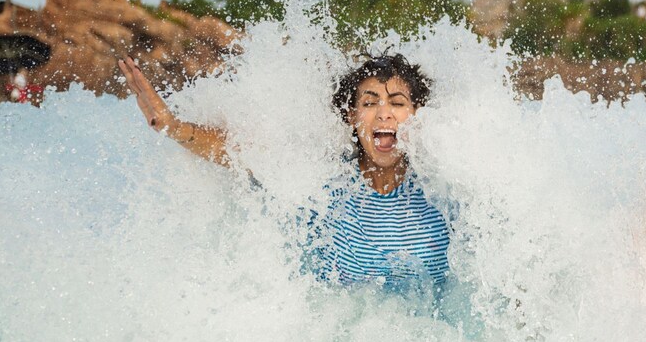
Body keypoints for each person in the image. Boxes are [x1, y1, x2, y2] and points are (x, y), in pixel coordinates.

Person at [118, 51, 450, 288]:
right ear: (351, 116)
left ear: (417, 114)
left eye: (397, 103)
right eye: (369, 102)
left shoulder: (445, 189)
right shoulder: (322, 182)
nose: (383, 114)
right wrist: (173, 126)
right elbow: (238, 153)